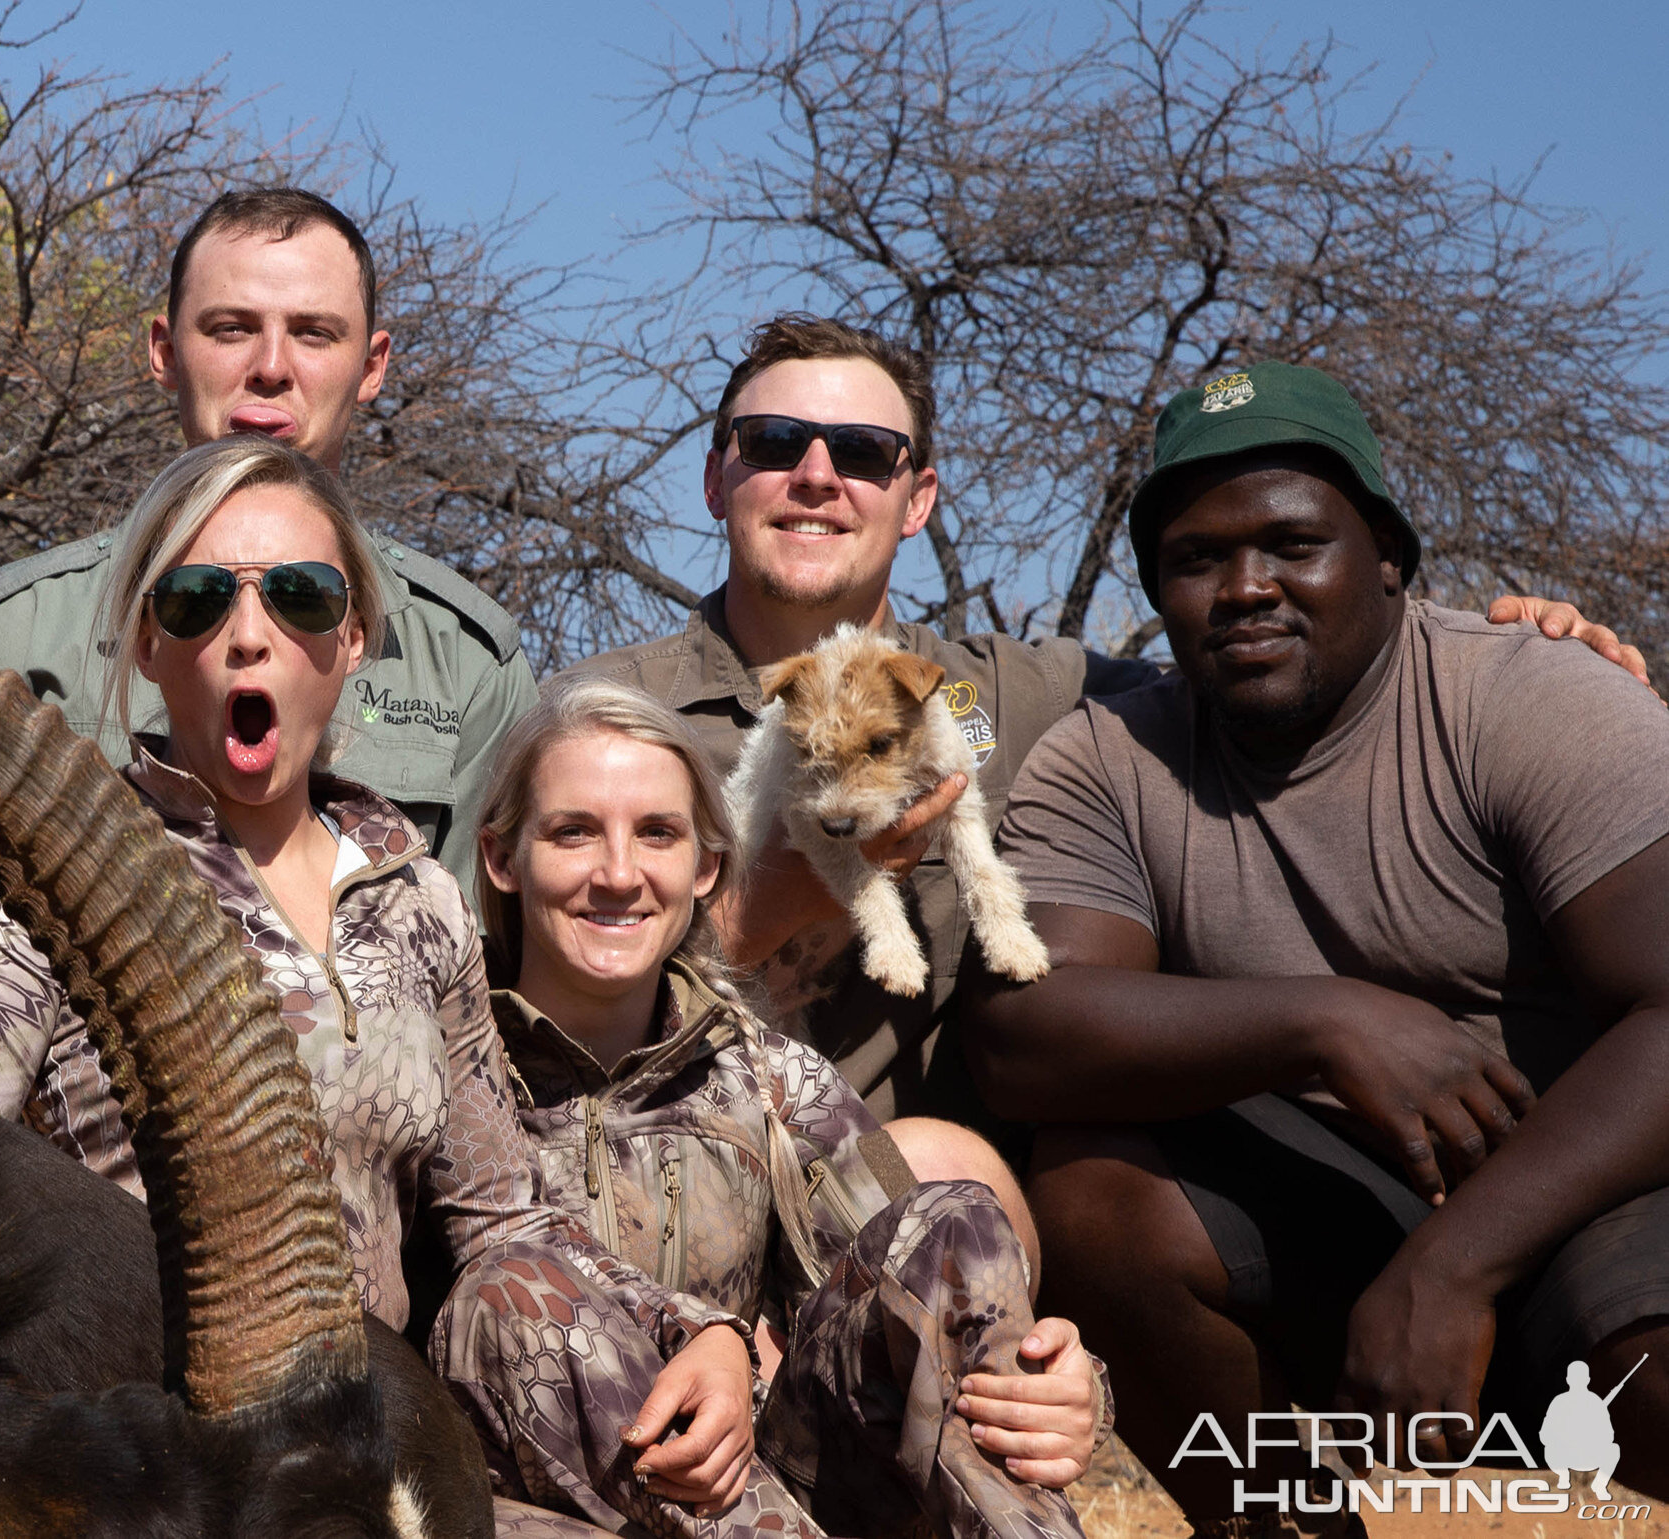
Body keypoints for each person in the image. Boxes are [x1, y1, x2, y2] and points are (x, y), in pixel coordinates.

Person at [0, 437, 769, 1534]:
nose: (250, 633)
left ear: (353, 634)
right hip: (138, 1475)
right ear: (144, 639)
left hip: (373, 1466)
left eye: (302, 596)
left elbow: (502, 1219)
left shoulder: (419, 900)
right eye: (196, 598)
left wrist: (703, 1329)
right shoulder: (39, 884)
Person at [556, 315, 1646, 1134]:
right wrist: (780, 892)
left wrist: (1524, 643)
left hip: (920, 1180)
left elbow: (1269, 661)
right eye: (774, 439)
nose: (815, 475)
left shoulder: (1033, 693)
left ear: (917, 497)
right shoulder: (590, 713)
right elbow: (517, 1010)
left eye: (862, 452)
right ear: (715, 477)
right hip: (663, 1140)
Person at [964, 361, 1669, 1531]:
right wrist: (1326, 1017)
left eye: (1292, 543)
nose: (1245, 587)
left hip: (1588, 1184)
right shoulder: (1109, 755)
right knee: (1095, 1187)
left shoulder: (1535, 695)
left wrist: (1455, 1266)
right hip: (1340, 1199)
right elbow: (1024, 1033)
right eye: (1196, 559)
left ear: (1386, 553)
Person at [0, 187, 537, 1052]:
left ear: (373, 364)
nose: (272, 365)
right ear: (166, 351)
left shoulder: (469, 662)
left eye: (315, 332)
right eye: (231, 327)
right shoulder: (6, 636)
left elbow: (496, 1011)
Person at [456, 675, 1105, 1539]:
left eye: (658, 833)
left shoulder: (780, 1078)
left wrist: (1068, 1382)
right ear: (503, 858)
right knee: (514, 1288)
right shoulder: (446, 1079)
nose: (619, 873)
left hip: (775, 1489)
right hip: (540, 1510)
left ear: (706, 866)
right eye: (574, 831)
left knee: (950, 1215)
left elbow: (909, 1240)